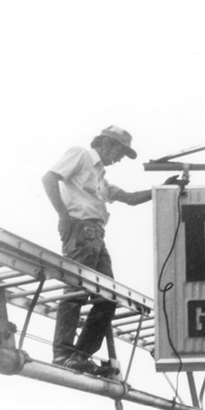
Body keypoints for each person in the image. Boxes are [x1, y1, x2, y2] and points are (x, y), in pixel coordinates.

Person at [42, 125, 153, 375]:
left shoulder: (101, 178)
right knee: (75, 292)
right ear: (106, 144)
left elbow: (131, 198)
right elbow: (49, 178)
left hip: (96, 236)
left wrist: (162, 189)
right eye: (119, 152)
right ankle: (61, 354)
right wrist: (63, 215)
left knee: (107, 298)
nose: (118, 159)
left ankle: (79, 356)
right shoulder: (81, 155)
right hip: (81, 231)